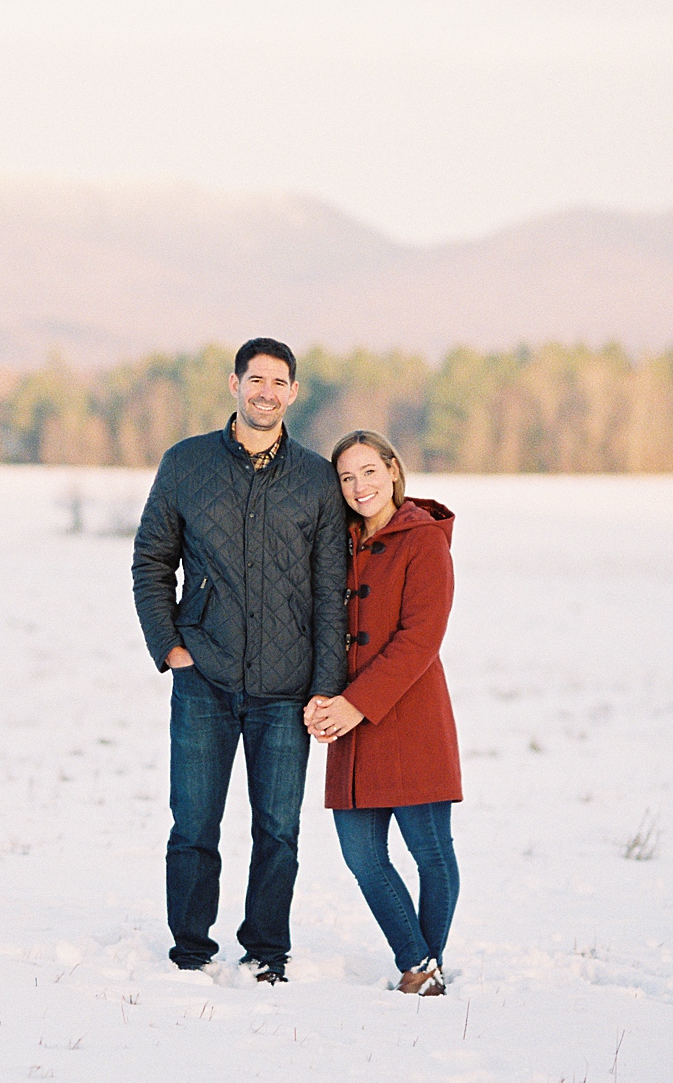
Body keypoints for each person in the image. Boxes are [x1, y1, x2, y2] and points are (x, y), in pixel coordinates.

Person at [132, 337, 350, 983]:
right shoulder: (186, 463)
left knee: (278, 830)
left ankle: (265, 950)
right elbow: (150, 562)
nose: (266, 392)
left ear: (293, 392)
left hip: (286, 690)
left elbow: (329, 592)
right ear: (234, 384)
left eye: (278, 382)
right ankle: (192, 949)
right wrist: (169, 647)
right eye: (255, 380)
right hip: (205, 675)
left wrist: (324, 685)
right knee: (194, 824)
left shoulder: (315, 478)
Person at [305, 430, 462, 996]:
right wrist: (322, 697)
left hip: (411, 718)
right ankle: (420, 959)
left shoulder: (424, 542)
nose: (359, 486)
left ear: (393, 470)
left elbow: (421, 639)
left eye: (369, 472)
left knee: (430, 852)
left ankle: (423, 969)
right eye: (346, 477)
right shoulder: (335, 542)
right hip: (350, 724)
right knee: (362, 855)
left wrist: (355, 703)